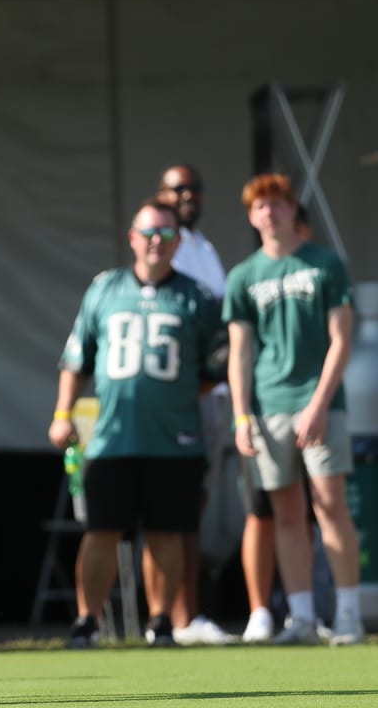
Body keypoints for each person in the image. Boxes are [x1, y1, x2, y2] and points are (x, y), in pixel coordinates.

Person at [48, 200, 224, 649]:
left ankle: (161, 621)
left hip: (174, 438)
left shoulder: (197, 296)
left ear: (178, 242)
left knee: (166, 532)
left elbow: (213, 368)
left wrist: (170, 398)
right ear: (132, 237)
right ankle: (88, 622)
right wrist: (62, 413)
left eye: (166, 234)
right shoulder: (105, 289)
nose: (156, 242)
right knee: (101, 531)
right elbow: (76, 359)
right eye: (148, 233)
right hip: (112, 437)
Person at [224, 173, 364, 646]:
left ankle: (348, 614)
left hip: (320, 403)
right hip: (268, 407)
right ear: (251, 215)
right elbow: (240, 352)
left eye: (278, 203)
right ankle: (301, 616)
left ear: (292, 209)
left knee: (330, 507)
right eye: (260, 206)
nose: (270, 212)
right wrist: (241, 416)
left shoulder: (325, 265)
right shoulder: (243, 275)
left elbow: (342, 339)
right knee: (285, 514)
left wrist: (320, 403)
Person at [147, 165, 237, 645]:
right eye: (176, 188)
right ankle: (174, 618)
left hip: (211, 396)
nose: (187, 196)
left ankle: (188, 616)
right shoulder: (159, 244)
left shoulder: (204, 249)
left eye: (194, 188)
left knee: (196, 506)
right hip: (172, 399)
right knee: (170, 508)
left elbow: (217, 330)